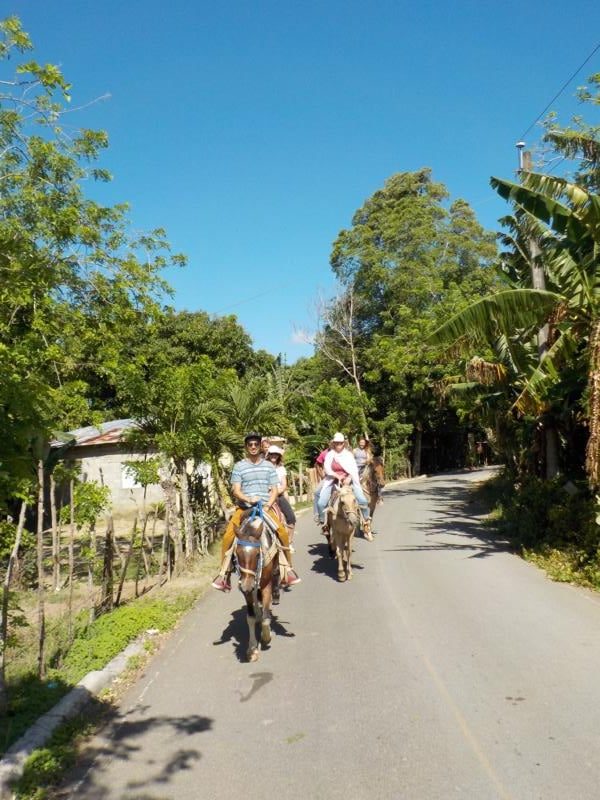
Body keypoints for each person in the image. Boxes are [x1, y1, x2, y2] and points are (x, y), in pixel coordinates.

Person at [211, 432, 301, 591]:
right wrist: (248, 499)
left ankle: (287, 570)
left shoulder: (268, 466)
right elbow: (236, 490)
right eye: (250, 445)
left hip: (265, 507)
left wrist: (268, 505)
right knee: (228, 536)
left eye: (256, 444)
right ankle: (224, 574)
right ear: (246, 447)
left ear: (260, 447)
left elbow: (274, 490)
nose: (253, 447)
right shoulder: (239, 466)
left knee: (282, 532)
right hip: (244, 508)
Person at [317, 432, 372, 539]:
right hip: (333, 480)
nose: (338, 445)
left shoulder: (348, 455)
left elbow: (354, 469)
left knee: (363, 501)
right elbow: (327, 468)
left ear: (343, 444)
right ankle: (324, 525)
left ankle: (366, 523)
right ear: (333, 443)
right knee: (321, 503)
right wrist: (337, 476)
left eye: (340, 443)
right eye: (336, 443)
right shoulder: (330, 455)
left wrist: (349, 477)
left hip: (349, 480)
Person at [265, 445, 297, 547]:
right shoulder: (263, 467)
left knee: (291, 518)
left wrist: (276, 492)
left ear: (279, 456)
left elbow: (284, 485)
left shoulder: (281, 469)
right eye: (272, 454)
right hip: (266, 495)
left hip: (278, 494)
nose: (274, 456)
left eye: (276, 454)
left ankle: (289, 542)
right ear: (268, 455)